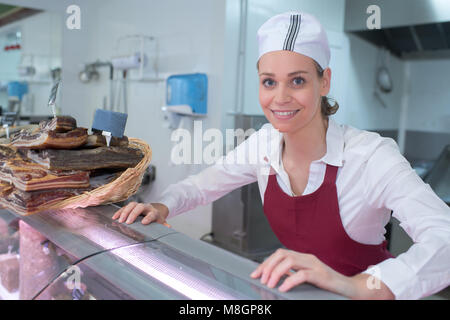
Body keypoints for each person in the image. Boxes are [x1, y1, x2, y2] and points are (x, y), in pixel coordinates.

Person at [113, 11, 450, 300]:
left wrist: (353, 285)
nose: (281, 97)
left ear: (324, 81)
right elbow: (204, 186)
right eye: (269, 82)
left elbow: (445, 241)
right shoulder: (264, 143)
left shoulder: (370, 157)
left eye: (298, 80)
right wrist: (162, 205)